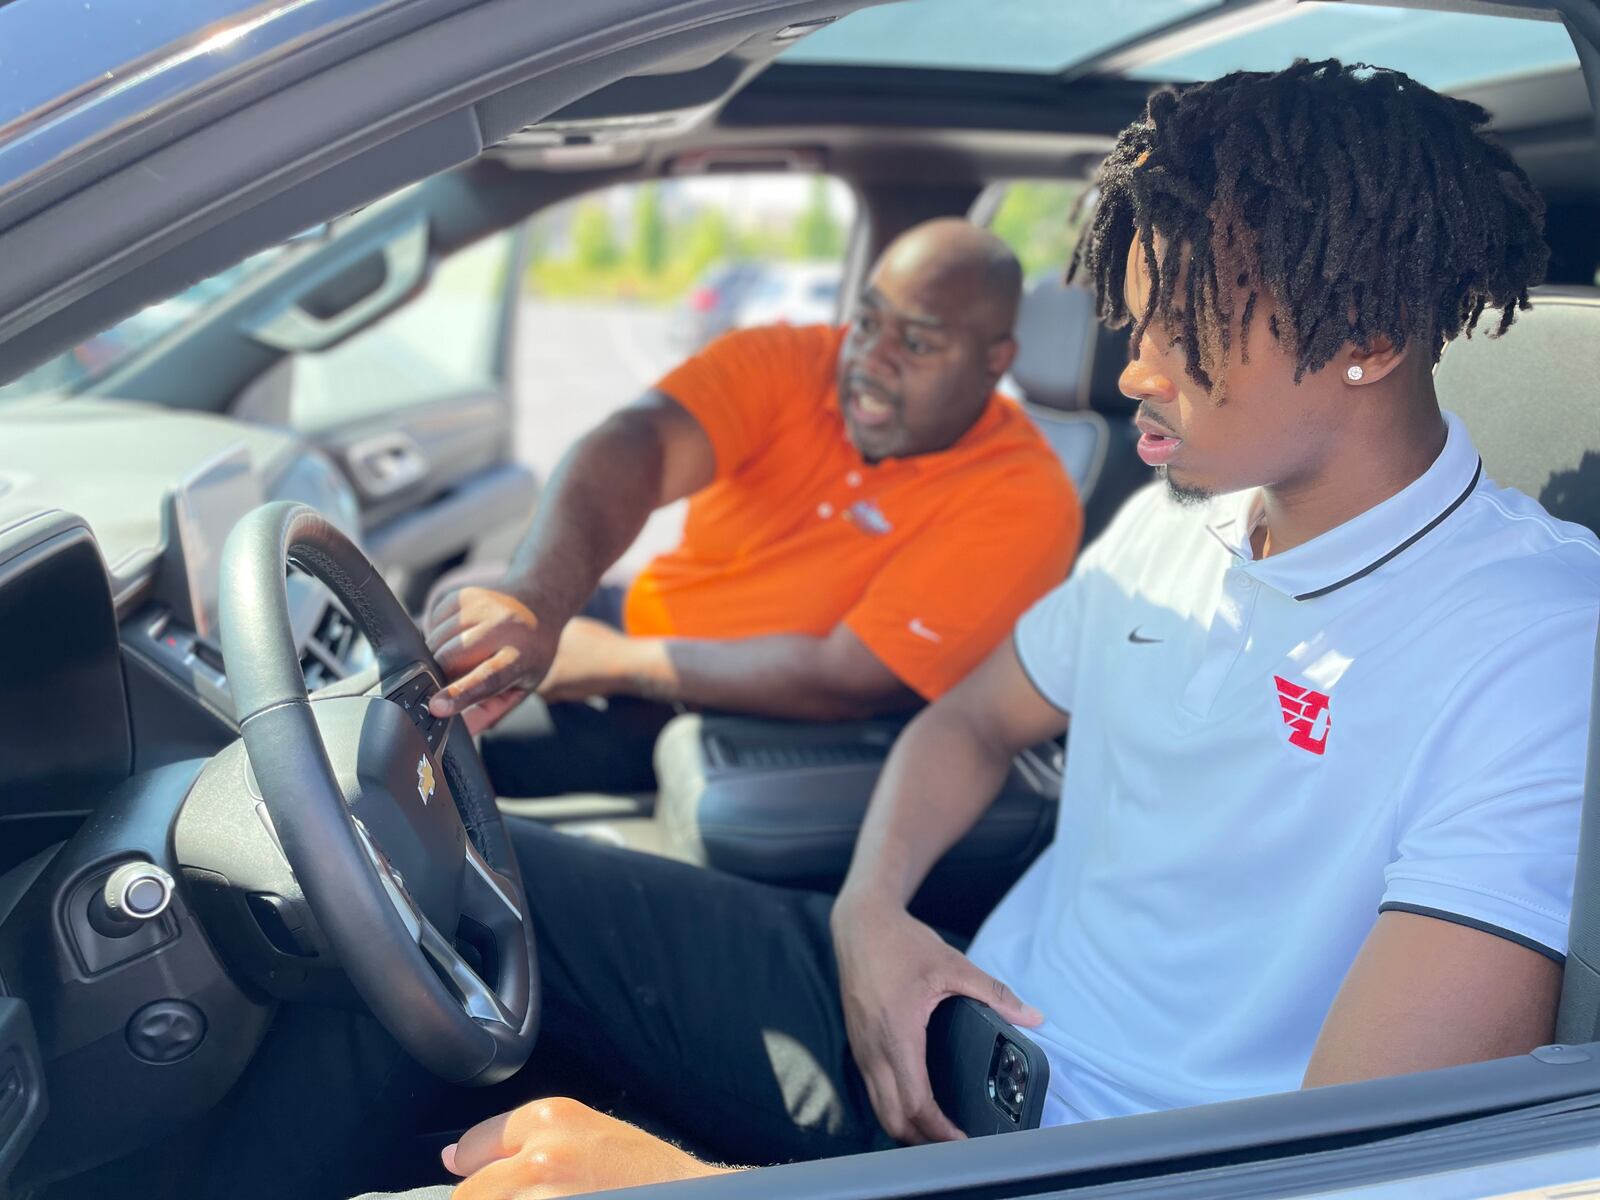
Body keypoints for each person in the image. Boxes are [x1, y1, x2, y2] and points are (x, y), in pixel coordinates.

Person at [369, 58, 1598, 1199]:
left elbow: (1357, 1175)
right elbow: (967, 722)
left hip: (1099, 1159)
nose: (1132, 374)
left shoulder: (1534, 641)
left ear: (1368, 340)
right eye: (1133, 325)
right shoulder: (1180, 523)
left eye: (1184, 337)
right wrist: (873, 917)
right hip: (938, 1012)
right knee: (423, 887)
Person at [423, 219, 1081, 796]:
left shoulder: (1025, 497)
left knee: (443, 746)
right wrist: (537, 600)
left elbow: (848, 679)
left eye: (916, 344)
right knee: (461, 606)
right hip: (645, 632)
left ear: (996, 362)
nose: (869, 361)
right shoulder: (790, 361)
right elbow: (638, 445)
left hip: (735, 717)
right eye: (870, 320)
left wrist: (616, 662)